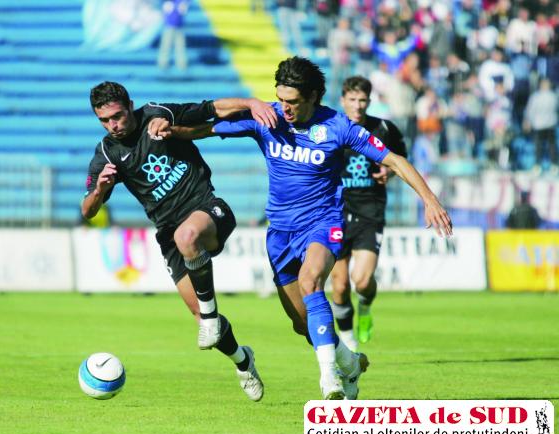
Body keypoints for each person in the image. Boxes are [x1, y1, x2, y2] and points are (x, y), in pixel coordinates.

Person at [162, 57, 453, 400]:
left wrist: (430, 200)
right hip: (280, 233)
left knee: (310, 281)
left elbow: (394, 160)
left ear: (314, 96)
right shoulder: (267, 118)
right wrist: (167, 131)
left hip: (323, 223)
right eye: (280, 99)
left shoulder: (338, 126)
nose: (284, 108)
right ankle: (350, 363)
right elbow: (205, 129)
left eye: (293, 102)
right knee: (303, 324)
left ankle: (329, 379)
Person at [82, 81, 277, 401]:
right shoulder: (107, 153)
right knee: (202, 318)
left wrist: (252, 103)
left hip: (208, 209)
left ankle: (211, 318)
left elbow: (211, 108)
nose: (112, 125)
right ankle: (243, 362)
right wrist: (101, 190)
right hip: (168, 234)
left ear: (130, 106)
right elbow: (88, 210)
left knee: (187, 238)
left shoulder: (158, 114)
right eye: (104, 120)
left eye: (117, 116)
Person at [330, 76, 407, 351]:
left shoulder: (384, 129)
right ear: (343, 100)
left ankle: (364, 305)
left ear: (369, 101)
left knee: (361, 281)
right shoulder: (331, 128)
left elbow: (401, 161)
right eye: (352, 99)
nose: (357, 105)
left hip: (369, 212)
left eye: (362, 100)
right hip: (335, 213)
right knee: (339, 286)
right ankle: (348, 339)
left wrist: (389, 172)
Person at [157, 0, 189, 70]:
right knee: (166, 45)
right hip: (169, 25)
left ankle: (181, 63)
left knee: (180, 46)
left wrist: (184, 5)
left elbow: (184, 7)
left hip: (179, 25)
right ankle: (163, 63)